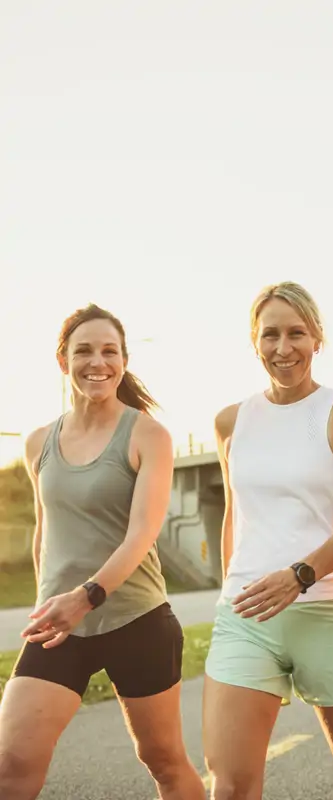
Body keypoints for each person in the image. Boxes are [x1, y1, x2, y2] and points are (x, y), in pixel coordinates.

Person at [0, 304, 205, 800]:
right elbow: (46, 528)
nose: (98, 362)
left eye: (109, 351)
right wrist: (48, 600)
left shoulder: (147, 435)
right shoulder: (38, 442)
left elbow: (142, 533)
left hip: (137, 619)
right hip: (59, 626)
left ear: (124, 360)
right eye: (84, 350)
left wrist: (85, 596)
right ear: (62, 360)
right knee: (11, 761)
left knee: (163, 761)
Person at [202, 281, 333, 800]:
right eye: (270, 335)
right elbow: (234, 517)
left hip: (326, 612)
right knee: (231, 782)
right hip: (246, 618)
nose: (283, 348)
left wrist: (298, 576)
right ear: (254, 341)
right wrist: (229, 592)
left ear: (317, 340)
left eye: (296, 333)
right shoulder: (230, 422)